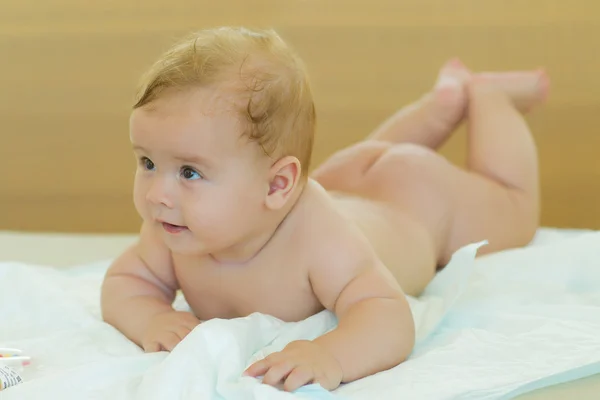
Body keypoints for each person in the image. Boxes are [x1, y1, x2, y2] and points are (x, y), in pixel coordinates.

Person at [100, 27, 548, 392]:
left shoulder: (319, 238)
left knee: (512, 205)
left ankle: (490, 98)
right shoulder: (174, 226)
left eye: (189, 173)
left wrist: (331, 354)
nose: (157, 192)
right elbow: (126, 281)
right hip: (347, 180)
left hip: (417, 200)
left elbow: (386, 313)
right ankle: (441, 107)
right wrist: (152, 317)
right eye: (148, 162)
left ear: (278, 184)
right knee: (374, 157)